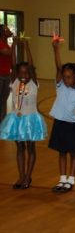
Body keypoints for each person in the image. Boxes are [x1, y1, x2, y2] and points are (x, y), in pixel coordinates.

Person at [0, 39, 47, 189]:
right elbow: (13, 65)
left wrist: (27, 47)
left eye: (26, 73)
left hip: (31, 120)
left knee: (30, 147)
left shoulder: (33, 83)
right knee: (20, 148)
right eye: (20, 73)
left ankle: (28, 176)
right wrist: (13, 45)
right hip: (16, 120)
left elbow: (31, 66)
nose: (23, 75)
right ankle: (21, 176)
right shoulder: (14, 81)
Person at [48, 36, 75, 193]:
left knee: (73, 153)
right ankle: (62, 179)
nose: (65, 79)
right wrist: (55, 49)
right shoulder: (60, 87)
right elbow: (58, 67)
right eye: (64, 77)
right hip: (60, 124)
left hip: (72, 127)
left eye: (69, 77)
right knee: (61, 152)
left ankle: (71, 180)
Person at [0, 25, 13, 122]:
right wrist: (15, 43)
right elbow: (8, 53)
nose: (9, 30)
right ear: (3, 32)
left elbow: (10, 58)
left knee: (4, 99)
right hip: (0, 76)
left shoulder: (6, 44)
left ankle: (3, 120)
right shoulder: (0, 43)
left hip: (7, 75)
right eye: (7, 29)